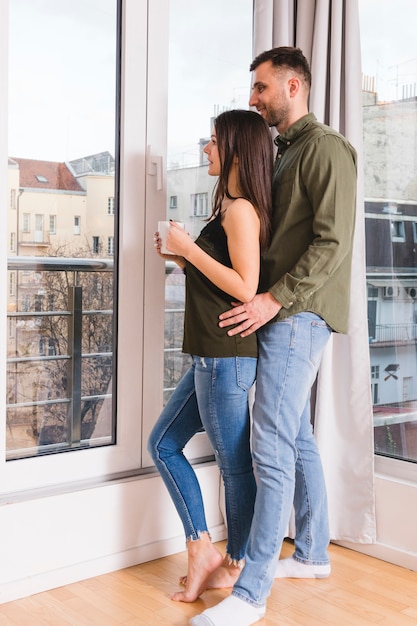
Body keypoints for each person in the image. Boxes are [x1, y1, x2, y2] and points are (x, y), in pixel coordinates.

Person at [191, 46, 357, 626]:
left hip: (297, 313)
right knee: (296, 436)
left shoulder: (327, 150)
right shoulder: (280, 152)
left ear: (293, 87)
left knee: (271, 446)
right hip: (276, 311)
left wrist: (271, 298)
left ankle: (251, 593)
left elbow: (333, 244)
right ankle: (311, 554)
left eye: (260, 88)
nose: (253, 98)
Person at [148, 109, 273, 604]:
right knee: (163, 444)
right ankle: (203, 548)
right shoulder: (229, 209)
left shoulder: (241, 209)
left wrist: (190, 252)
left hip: (226, 358)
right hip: (210, 356)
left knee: (234, 464)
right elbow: (218, 275)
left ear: (236, 148)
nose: (206, 150)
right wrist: (180, 255)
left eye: (213, 142)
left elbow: (246, 286)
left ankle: (236, 564)